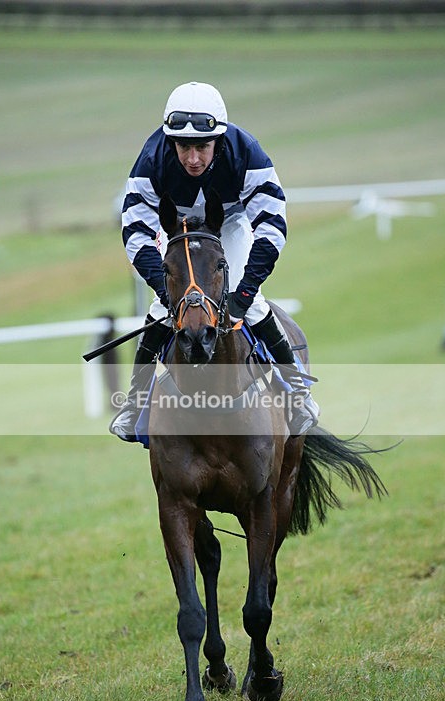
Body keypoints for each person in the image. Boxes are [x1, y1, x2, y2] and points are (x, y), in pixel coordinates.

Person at [110, 81, 319, 442]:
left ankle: (298, 393)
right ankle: (135, 402)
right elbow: (136, 233)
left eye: (202, 147)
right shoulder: (151, 157)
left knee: (248, 303)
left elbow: (272, 226)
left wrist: (244, 290)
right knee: (163, 308)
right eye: (183, 147)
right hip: (177, 230)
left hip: (230, 224)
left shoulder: (246, 152)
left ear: (218, 139)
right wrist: (165, 290)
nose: (192, 159)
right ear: (169, 140)